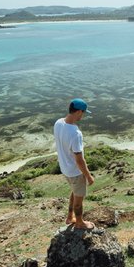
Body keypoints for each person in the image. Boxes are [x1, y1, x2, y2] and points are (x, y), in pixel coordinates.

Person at [53, 98, 95, 230]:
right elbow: (79, 160)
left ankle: (70, 216)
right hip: (75, 171)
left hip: (65, 169)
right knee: (79, 199)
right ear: (78, 112)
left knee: (74, 192)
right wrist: (88, 176)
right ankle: (80, 222)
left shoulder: (58, 123)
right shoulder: (76, 134)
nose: (83, 115)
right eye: (83, 112)